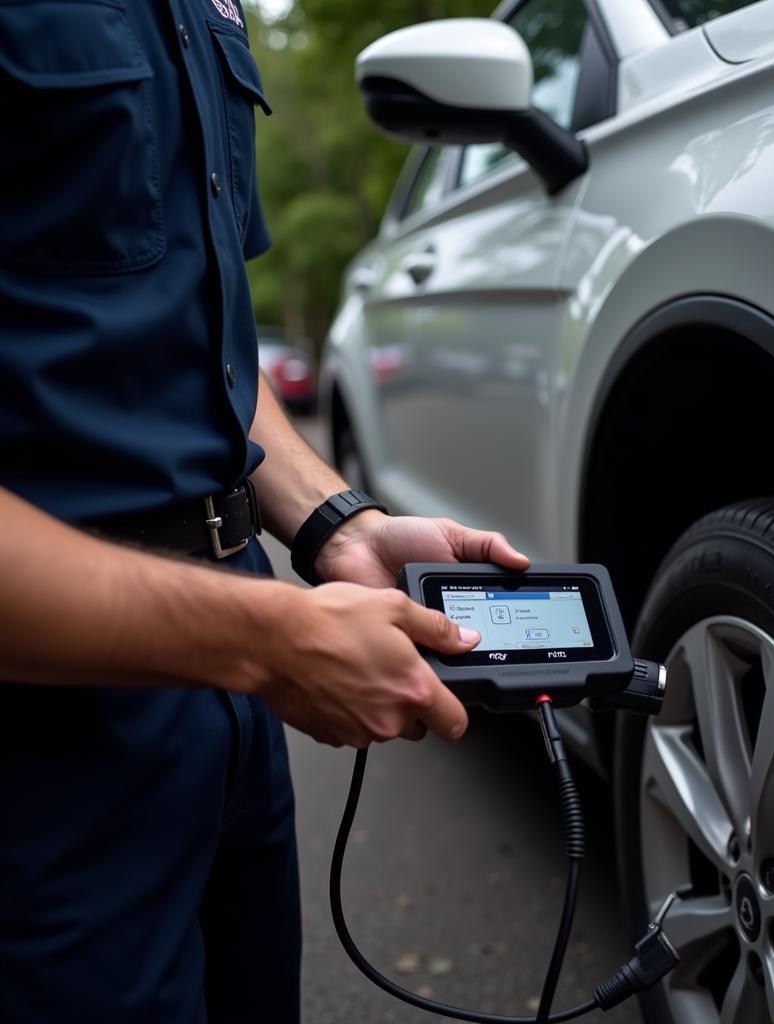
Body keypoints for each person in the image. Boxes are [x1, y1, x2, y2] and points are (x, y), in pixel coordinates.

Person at [0, 3, 528, 1022]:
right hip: (49, 731)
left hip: (231, 685)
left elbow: (208, 345)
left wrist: (340, 525)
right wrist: (271, 642)